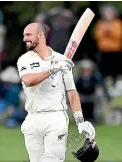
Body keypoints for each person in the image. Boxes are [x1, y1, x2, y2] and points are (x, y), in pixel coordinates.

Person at [17, 22, 95, 162]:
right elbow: (28, 81)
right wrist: (52, 70)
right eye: (24, 35)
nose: (24, 38)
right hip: (32, 118)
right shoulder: (24, 60)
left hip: (55, 118)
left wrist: (79, 120)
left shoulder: (62, 60)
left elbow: (72, 92)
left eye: (28, 35)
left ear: (40, 36)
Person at [75, 59, 112, 123]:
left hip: (93, 97)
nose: (86, 72)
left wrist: (109, 99)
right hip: (82, 97)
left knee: (99, 96)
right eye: (84, 70)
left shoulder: (96, 78)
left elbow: (103, 88)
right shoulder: (78, 79)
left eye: (88, 70)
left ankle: (99, 117)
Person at [94, 4, 122, 84]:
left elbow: (119, 35)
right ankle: (103, 85)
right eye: (106, 13)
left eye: (110, 13)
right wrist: (105, 31)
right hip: (103, 51)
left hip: (115, 50)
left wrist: (110, 31)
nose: (108, 15)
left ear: (114, 14)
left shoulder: (118, 23)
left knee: (115, 69)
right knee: (102, 70)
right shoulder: (100, 23)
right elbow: (97, 36)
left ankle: (115, 84)